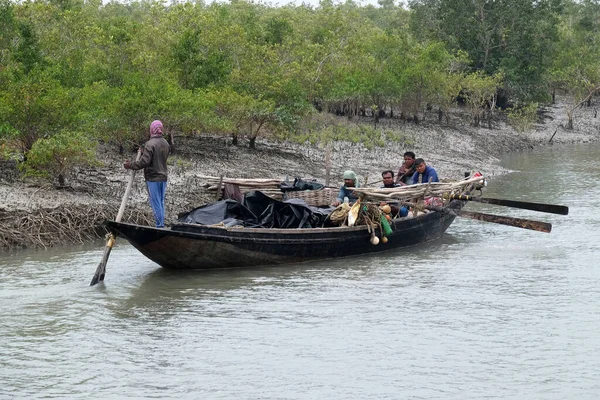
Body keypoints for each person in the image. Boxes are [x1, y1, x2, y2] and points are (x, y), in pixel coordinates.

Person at [124, 120, 170, 228]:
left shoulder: (150, 144)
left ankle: (159, 226)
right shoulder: (165, 143)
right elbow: (158, 158)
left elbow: (144, 162)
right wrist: (145, 151)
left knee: (156, 203)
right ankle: (161, 225)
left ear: (151, 130)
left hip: (153, 178)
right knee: (161, 202)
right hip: (163, 177)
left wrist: (130, 165)